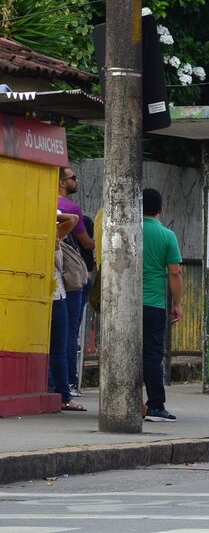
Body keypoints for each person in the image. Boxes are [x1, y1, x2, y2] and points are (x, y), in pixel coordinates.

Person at [141, 188, 183, 422]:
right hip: (153, 304)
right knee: (152, 355)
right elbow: (175, 272)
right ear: (161, 210)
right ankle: (156, 405)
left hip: (125, 306)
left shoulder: (126, 230)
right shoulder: (167, 236)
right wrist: (177, 303)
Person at [57, 167, 94, 399]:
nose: (76, 181)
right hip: (72, 277)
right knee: (70, 330)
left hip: (58, 276)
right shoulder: (72, 209)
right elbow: (87, 243)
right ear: (61, 182)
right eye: (72, 178)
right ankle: (70, 381)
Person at [51, 210, 85, 412]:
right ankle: (64, 395)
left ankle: (55, 389)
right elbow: (73, 219)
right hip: (55, 296)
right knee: (59, 349)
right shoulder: (52, 236)